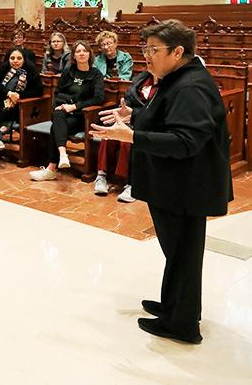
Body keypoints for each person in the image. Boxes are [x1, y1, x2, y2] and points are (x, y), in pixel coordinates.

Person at [91, 20, 232, 345]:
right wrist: (135, 117)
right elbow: (169, 118)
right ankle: (174, 307)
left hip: (186, 187)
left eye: (153, 50)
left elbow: (185, 141)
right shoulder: (179, 78)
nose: (147, 56)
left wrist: (133, 136)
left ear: (177, 51)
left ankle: (182, 325)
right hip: (176, 184)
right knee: (178, 252)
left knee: (182, 253)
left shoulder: (191, 86)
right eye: (145, 49)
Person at [30, 41, 104, 181]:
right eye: (78, 51)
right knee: (58, 115)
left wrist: (74, 106)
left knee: (55, 127)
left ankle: (52, 167)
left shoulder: (95, 74)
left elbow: (98, 99)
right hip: (64, 113)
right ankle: (62, 154)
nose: (81, 53)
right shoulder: (68, 71)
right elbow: (58, 93)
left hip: (82, 116)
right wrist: (64, 105)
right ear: (74, 56)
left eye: (84, 51)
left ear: (89, 54)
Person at [92, 70, 156, 202]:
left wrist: (133, 115)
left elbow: (156, 111)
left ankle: (131, 183)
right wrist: (123, 111)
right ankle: (101, 175)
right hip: (129, 119)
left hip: (149, 124)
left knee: (127, 139)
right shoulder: (141, 79)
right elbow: (128, 99)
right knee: (109, 134)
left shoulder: (167, 84)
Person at [0, 49, 43, 152]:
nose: (15, 61)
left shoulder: (31, 70)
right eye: (12, 58)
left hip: (17, 107)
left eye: (19, 58)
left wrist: (19, 96)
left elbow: (38, 90)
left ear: (24, 60)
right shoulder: (5, 67)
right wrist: (9, 93)